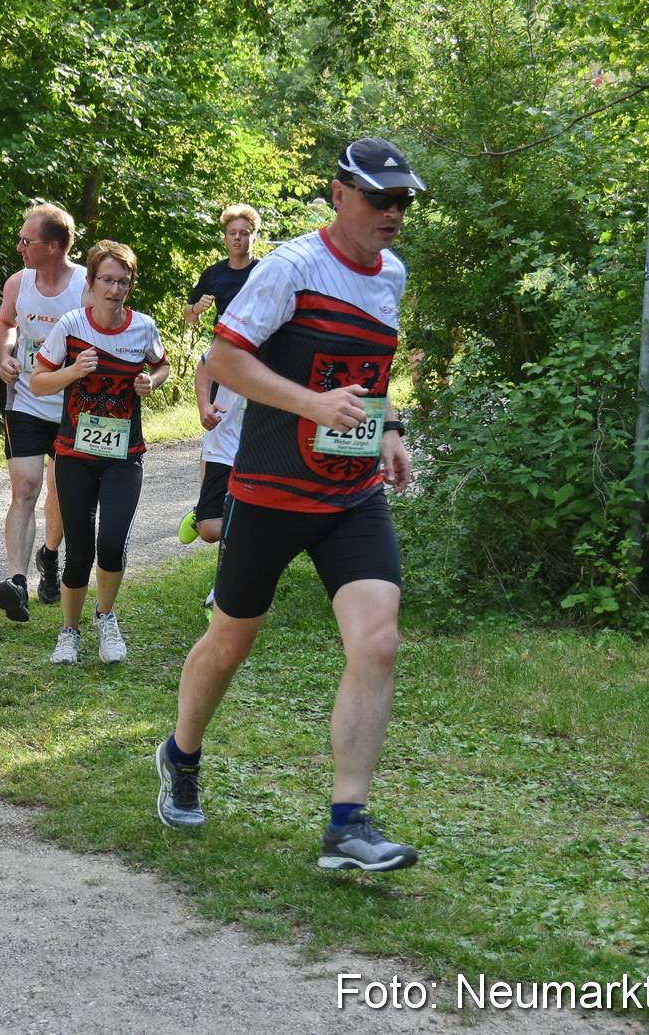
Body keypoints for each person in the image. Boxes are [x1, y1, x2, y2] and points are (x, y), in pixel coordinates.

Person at [154, 138, 424, 874]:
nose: (394, 213)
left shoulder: (391, 273)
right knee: (230, 641)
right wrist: (311, 404)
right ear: (339, 194)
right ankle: (181, 754)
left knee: (378, 641)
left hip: (351, 495)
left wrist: (388, 427)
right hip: (270, 493)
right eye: (380, 199)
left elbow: (371, 370)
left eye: (403, 201)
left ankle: (347, 825)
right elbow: (223, 358)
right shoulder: (291, 268)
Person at [30, 241, 169, 665]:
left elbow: (161, 365)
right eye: (107, 280)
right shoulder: (71, 325)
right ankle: (68, 632)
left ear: (131, 285)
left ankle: (105, 617)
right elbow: (38, 382)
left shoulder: (143, 327)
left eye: (123, 282)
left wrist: (152, 381)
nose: (114, 289)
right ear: (90, 283)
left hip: (124, 455)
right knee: (79, 549)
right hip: (74, 454)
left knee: (111, 543)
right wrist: (73, 370)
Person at [0, 203, 87, 622]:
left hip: (73, 404)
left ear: (53, 246)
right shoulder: (18, 282)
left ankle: (50, 555)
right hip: (27, 399)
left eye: (26, 241)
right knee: (26, 488)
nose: (19, 247)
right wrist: (6, 355)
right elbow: (5, 323)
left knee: (61, 490)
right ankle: (17, 583)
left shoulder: (86, 284)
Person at [176, 350, 243, 609]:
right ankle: (201, 511)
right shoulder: (242, 331)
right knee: (211, 530)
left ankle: (225, 587)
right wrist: (204, 405)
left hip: (267, 444)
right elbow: (205, 364)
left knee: (255, 517)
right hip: (225, 440)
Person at [181, 204, 262, 329]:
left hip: (259, 339)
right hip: (223, 339)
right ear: (225, 239)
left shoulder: (265, 271)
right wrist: (197, 308)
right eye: (232, 233)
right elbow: (189, 317)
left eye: (244, 233)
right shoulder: (213, 273)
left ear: (254, 240)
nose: (237, 238)